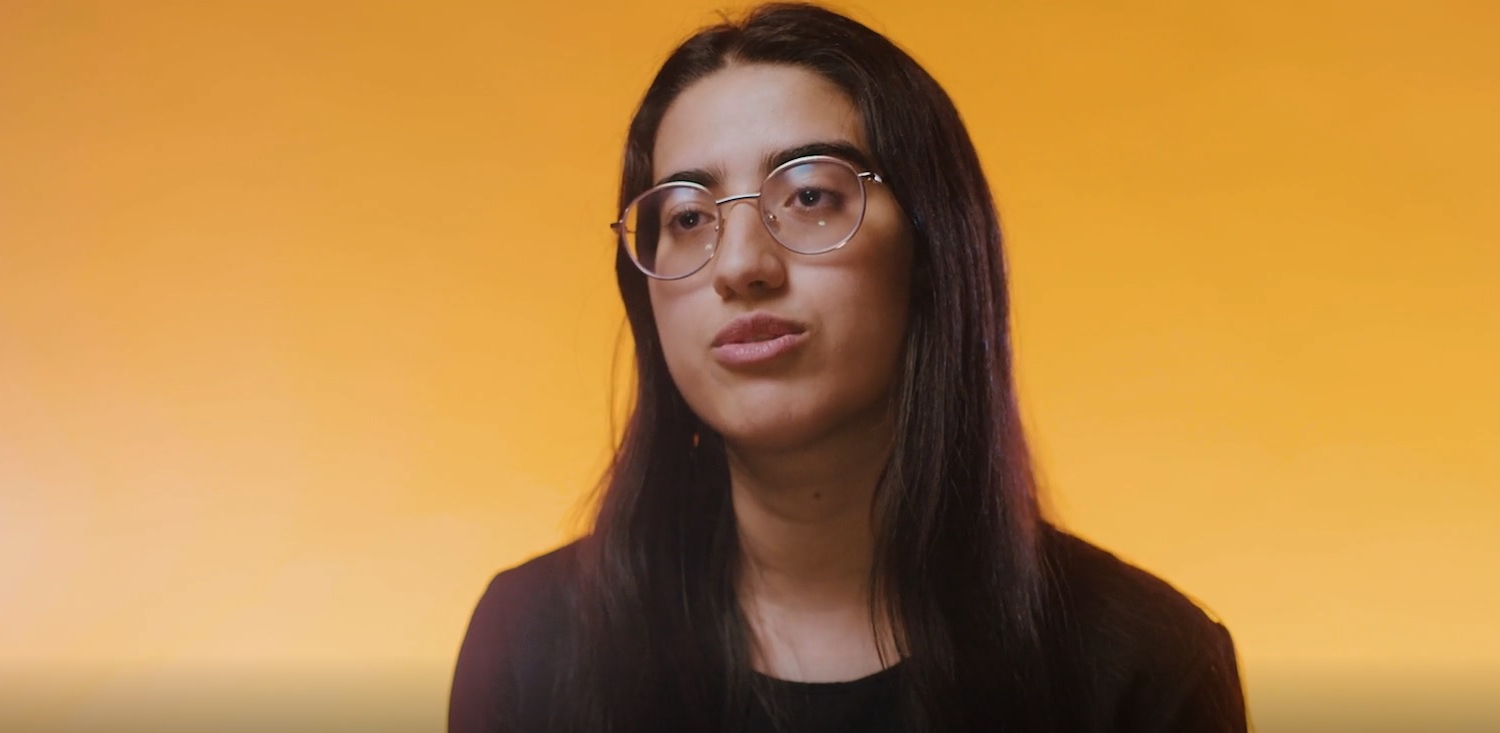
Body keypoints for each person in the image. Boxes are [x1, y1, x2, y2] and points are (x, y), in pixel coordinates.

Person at [449, 3, 1248, 731]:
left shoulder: (1143, 668)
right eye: (688, 215)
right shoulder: (529, 643)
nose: (740, 264)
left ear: (932, 252)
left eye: (808, 196)